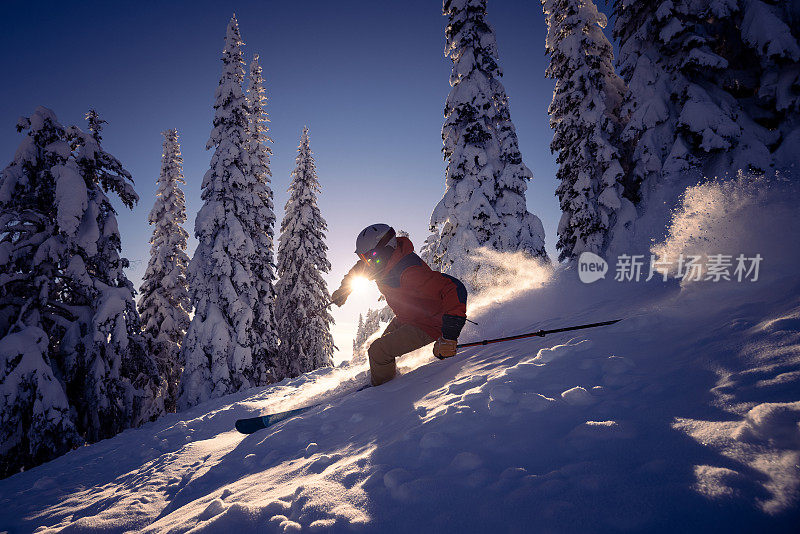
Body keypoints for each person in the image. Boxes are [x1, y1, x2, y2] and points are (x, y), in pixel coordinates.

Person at [331, 224, 468, 386]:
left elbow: (454, 287)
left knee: (378, 351)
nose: (368, 262)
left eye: (371, 256)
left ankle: (383, 393)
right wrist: (344, 290)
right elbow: (359, 269)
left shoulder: (409, 271)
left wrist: (450, 336)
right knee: (381, 347)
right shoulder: (381, 263)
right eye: (365, 258)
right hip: (408, 318)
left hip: (430, 323)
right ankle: (386, 379)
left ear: (388, 248)